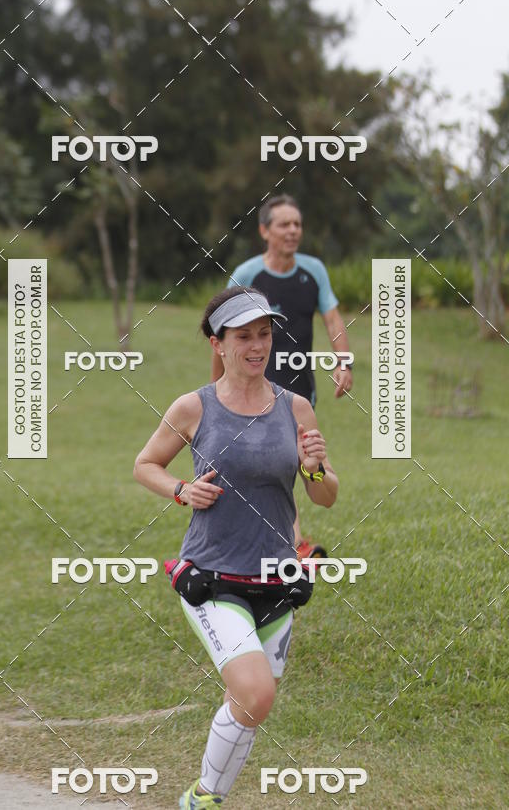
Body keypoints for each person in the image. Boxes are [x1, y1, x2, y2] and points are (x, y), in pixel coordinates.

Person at [134, 286, 338, 808]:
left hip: (276, 579)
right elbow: (144, 465)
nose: (257, 346)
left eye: (264, 334)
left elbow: (325, 496)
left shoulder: (296, 409)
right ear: (217, 343)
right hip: (212, 576)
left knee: (250, 703)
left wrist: (314, 464)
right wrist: (182, 489)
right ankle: (204, 798)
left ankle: (203, 797)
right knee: (256, 693)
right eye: (243, 335)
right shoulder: (193, 407)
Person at [211, 194, 351, 557]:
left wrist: (343, 362)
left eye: (297, 224)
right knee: (264, 465)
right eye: (284, 224)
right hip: (249, 392)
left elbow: (332, 318)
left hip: (300, 391)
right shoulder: (246, 274)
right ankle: (283, 543)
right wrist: (213, 392)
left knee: (294, 465)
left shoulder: (314, 271)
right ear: (264, 230)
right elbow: (222, 336)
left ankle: (289, 543)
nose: (292, 231)